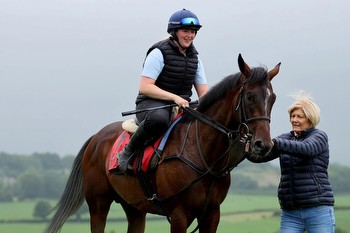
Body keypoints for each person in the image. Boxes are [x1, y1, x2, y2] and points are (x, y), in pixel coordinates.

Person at [118, 9, 208, 172]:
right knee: (159, 120)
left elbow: (204, 94)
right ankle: (127, 152)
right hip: (151, 103)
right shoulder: (158, 53)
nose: (190, 35)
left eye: (193, 32)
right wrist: (175, 98)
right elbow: (145, 87)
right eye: (185, 31)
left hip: (182, 105)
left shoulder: (196, 59)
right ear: (175, 32)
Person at [246, 91, 335, 233]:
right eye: (292, 116)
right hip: (290, 213)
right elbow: (258, 157)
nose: (294, 120)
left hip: (318, 210)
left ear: (310, 119)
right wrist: (245, 147)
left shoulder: (319, 136)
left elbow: (307, 149)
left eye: (300, 116)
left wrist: (275, 142)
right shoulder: (285, 139)